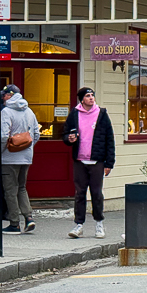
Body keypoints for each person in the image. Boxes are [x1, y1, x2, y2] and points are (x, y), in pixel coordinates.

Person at [62, 87, 115, 239]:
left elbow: (109, 140)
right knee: (80, 193)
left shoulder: (102, 114)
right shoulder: (75, 114)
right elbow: (66, 133)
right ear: (81, 99)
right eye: (87, 96)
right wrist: (69, 139)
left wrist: (109, 163)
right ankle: (79, 225)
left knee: (96, 193)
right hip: (80, 160)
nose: (91, 98)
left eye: (92, 95)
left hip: (97, 160)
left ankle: (99, 223)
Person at [0, 84, 40, 233]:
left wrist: (1, 151)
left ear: (10, 96)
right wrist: (27, 148)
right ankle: (28, 217)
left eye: (4, 95)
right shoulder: (29, 111)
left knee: (10, 190)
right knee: (22, 187)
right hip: (26, 156)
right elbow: (36, 133)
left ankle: (14, 223)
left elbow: (4, 135)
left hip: (9, 157)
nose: (3, 97)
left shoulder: (6, 111)